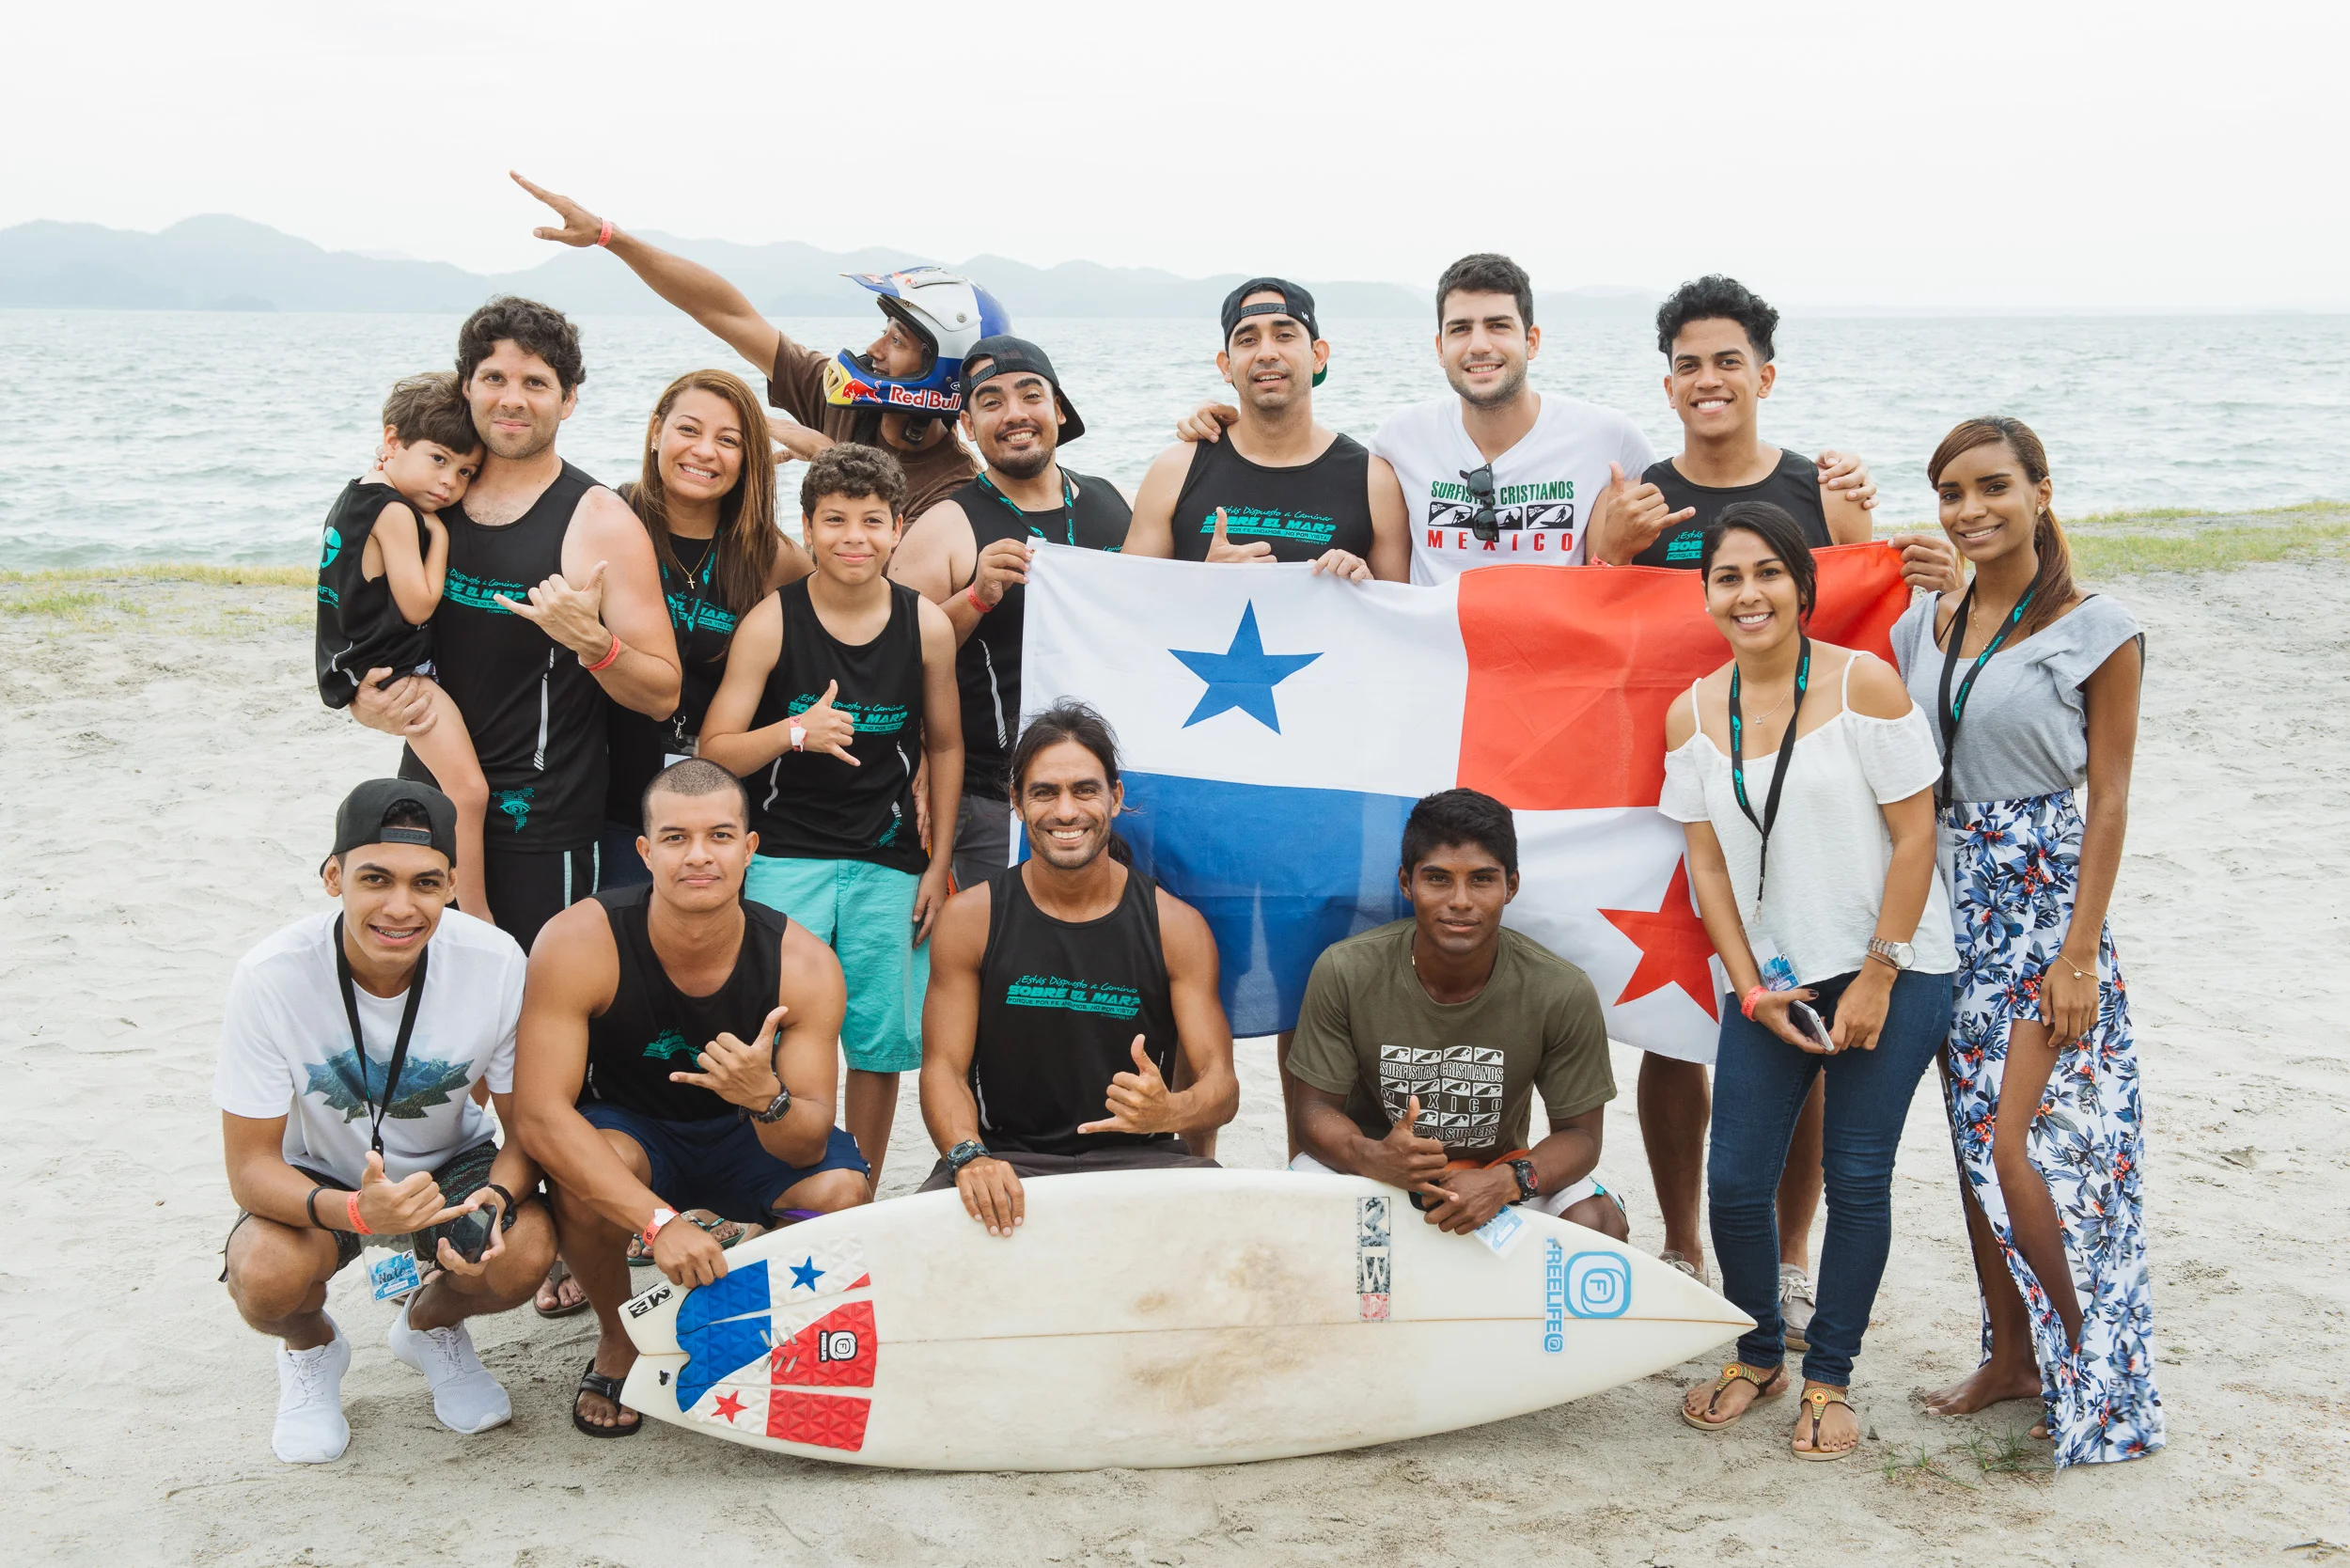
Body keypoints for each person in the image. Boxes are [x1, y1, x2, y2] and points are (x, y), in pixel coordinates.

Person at [1628, 275, 1960, 1332]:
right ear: (1668, 380)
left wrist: (1922, 566)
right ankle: (1704, 1264)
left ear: (1763, 374)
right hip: (1712, 832)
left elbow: (1874, 621)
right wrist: (1602, 548)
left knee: (1839, 1134)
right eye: (1689, 361)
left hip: (1842, 870)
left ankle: (1800, 1277)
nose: (1709, 377)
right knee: (1683, 1054)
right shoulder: (1639, 494)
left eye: (1729, 359)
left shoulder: (1826, 491)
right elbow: (1590, 634)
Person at [1659, 502, 1956, 1461]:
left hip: (1894, 966)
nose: (1747, 594)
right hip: (1773, 980)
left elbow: (1918, 835)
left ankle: (1828, 1378)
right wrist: (1748, 990)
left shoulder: (1864, 684)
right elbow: (1705, 867)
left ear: (1801, 585)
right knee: (1736, 1179)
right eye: (1727, 578)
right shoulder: (1692, 711)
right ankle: (1757, 1354)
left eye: (1765, 574)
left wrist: (1877, 972)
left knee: (1855, 1176)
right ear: (1706, 594)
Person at [1895, 417, 2158, 1466]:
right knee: (1971, 1151)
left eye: (1992, 486)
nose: (1970, 511)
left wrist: (2081, 951)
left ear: (2041, 491)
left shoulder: (2099, 627)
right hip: (1949, 901)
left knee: (2023, 1146)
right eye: (1951, 493)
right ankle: (2010, 1356)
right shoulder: (1933, 621)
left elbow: (2109, 799)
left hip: (2046, 902)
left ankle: (2090, 1371)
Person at [512, 759, 872, 1437]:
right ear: (645, 851)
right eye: (675, 838)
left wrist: (764, 1096)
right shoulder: (580, 941)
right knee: (587, 1171)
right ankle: (621, 1336)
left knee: (840, 1197)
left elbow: (805, 1140)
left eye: (720, 836)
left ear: (750, 848)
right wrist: (658, 1225)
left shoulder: (804, 964)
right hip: (636, 1132)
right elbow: (540, 1116)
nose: (699, 856)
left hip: (747, 1137)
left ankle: (779, 1328)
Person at [215, 780, 556, 1464]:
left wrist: (493, 1197)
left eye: (426, 883)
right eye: (375, 879)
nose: (401, 907)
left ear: (453, 884)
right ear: (333, 876)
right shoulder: (270, 975)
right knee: (263, 1275)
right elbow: (250, 1168)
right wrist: (358, 1211)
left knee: (522, 1252)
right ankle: (312, 1347)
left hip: (448, 1163)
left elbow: (526, 1129)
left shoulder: (494, 962)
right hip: (321, 1174)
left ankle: (429, 1325)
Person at [1181, 255, 1873, 578]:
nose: (1479, 345)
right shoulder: (1398, 442)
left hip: (1558, 677)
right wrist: (1219, 423)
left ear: (1532, 341)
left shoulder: (1609, 439)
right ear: (1440, 347)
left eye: (1498, 327)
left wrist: (1830, 473)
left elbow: (1636, 541)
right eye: (1460, 329)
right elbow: (1387, 582)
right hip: (1441, 674)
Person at [349, 296, 682, 950]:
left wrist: (593, 642)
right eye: (495, 378)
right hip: (426, 804)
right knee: (427, 1025)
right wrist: (365, 701)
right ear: (467, 384)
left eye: (536, 383)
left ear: (568, 400)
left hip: (543, 825)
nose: (513, 399)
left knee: (532, 1023)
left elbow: (663, 691)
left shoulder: (598, 519)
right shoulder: (427, 499)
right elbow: (360, 635)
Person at [699, 445, 963, 1191]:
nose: (855, 537)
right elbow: (714, 752)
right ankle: (773, 1179)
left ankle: (863, 1186)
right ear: (807, 530)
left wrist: (939, 865)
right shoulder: (772, 623)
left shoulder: (927, 627)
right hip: (787, 858)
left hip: (890, 863)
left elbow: (944, 744)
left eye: (872, 521)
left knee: (879, 1044)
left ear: (898, 529)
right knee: (776, 1031)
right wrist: (794, 733)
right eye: (835, 520)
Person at [917, 702, 1238, 1235]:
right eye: (1044, 792)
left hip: (1141, 1161)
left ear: (1114, 797)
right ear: (1017, 803)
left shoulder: (1176, 927)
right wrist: (968, 1156)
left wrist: (1171, 1113)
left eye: (1084, 790)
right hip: (1005, 1161)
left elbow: (1222, 1086)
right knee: (917, 1268)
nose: (1065, 811)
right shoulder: (970, 919)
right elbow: (943, 1069)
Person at [513, 172, 992, 522]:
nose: (875, 348)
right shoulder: (842, 394)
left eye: (897, 340)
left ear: (940, 364)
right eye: (884, 330)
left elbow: (883, 587)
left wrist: (827, 456)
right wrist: (608, 236)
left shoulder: (955, 487)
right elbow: (725, 314)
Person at [1286, 788, 1629, 1240]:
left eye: (1482, 879)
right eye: (1439, 879)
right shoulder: (1346, 969)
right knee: (1292, 1218)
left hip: (1495, 1169)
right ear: (1407, 883)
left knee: (1598, 1221)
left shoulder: (1560, 988)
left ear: (1512, 886)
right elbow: (1312, 1109)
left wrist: (1508, 1182)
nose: (1461, 901)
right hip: (1371, 1163)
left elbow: (1582, 1138)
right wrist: (1371, 1156)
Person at [885, 336, 1130, 892]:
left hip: (1109, 784)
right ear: (968, 427)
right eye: (991, 402)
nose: (1014, 414)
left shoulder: (1111, 501)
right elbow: (890, 653)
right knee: (1003, 952)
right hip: (997, 798)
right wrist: (974, 598)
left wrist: (1213, 575)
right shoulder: (945, 525)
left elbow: (1153, 613)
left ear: (1058, 410)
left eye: (1029, 395)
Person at [598, 368, 813, 886]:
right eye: (688, 430)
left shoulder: (770, 557)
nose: (704, 452)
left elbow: (858, 602)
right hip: (604, 802)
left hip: (713, 814)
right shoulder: (607, 517)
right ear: (656, 432)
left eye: (730, 440)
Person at [315, 372, 495, 920]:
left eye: (465, 472)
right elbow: (418, 604)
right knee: (468, 791)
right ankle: (477, 911)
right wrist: (437, 539)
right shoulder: (397, 513)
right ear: (392, 442)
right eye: (438, 460)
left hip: (354, 662)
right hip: (398, 674)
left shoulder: (355, 497)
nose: (449, 484)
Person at [1123, 276, 1410, 582]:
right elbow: (1123, 603)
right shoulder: (1175, 470)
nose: (1266, 353)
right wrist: (1202, 580)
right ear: (1226, 366)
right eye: (1247, 340)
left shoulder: (1373, 480)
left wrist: (1367, 590)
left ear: (1318, 356)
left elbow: (1399, 618)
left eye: (1284, 335)